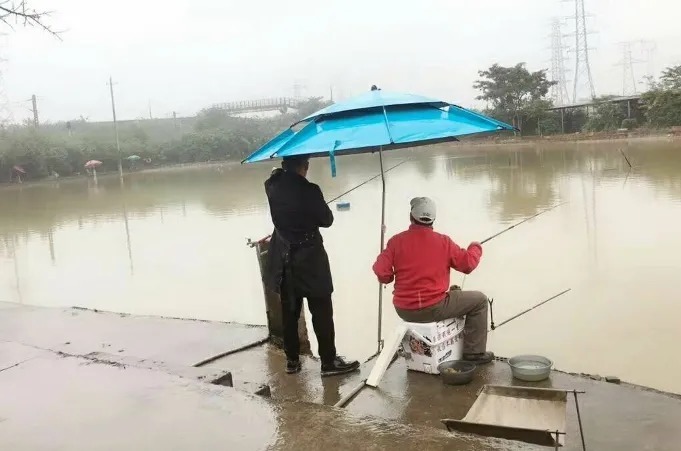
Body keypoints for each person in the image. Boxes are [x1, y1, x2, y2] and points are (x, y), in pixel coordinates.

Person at [264, 155, 360, 376]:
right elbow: (326, 220)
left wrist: (279, 173)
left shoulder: (272, 186)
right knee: (322, 311)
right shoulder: (310, 190)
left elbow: (273, 178)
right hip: (310, 260)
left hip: (284, 259)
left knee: (290, 312)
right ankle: (328, 362)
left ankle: (292, 362)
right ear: (303, 167)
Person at [371, 197, 494, 364]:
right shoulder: (444, 242)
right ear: (433, 220)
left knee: (455, 290)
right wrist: (475, 247)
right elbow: (468, 264)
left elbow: (381, 271)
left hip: (403, 309)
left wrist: (389, 277)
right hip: (433, 308)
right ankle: (474, 353)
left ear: (411, 217)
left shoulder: (395, 241)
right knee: (479, 300)